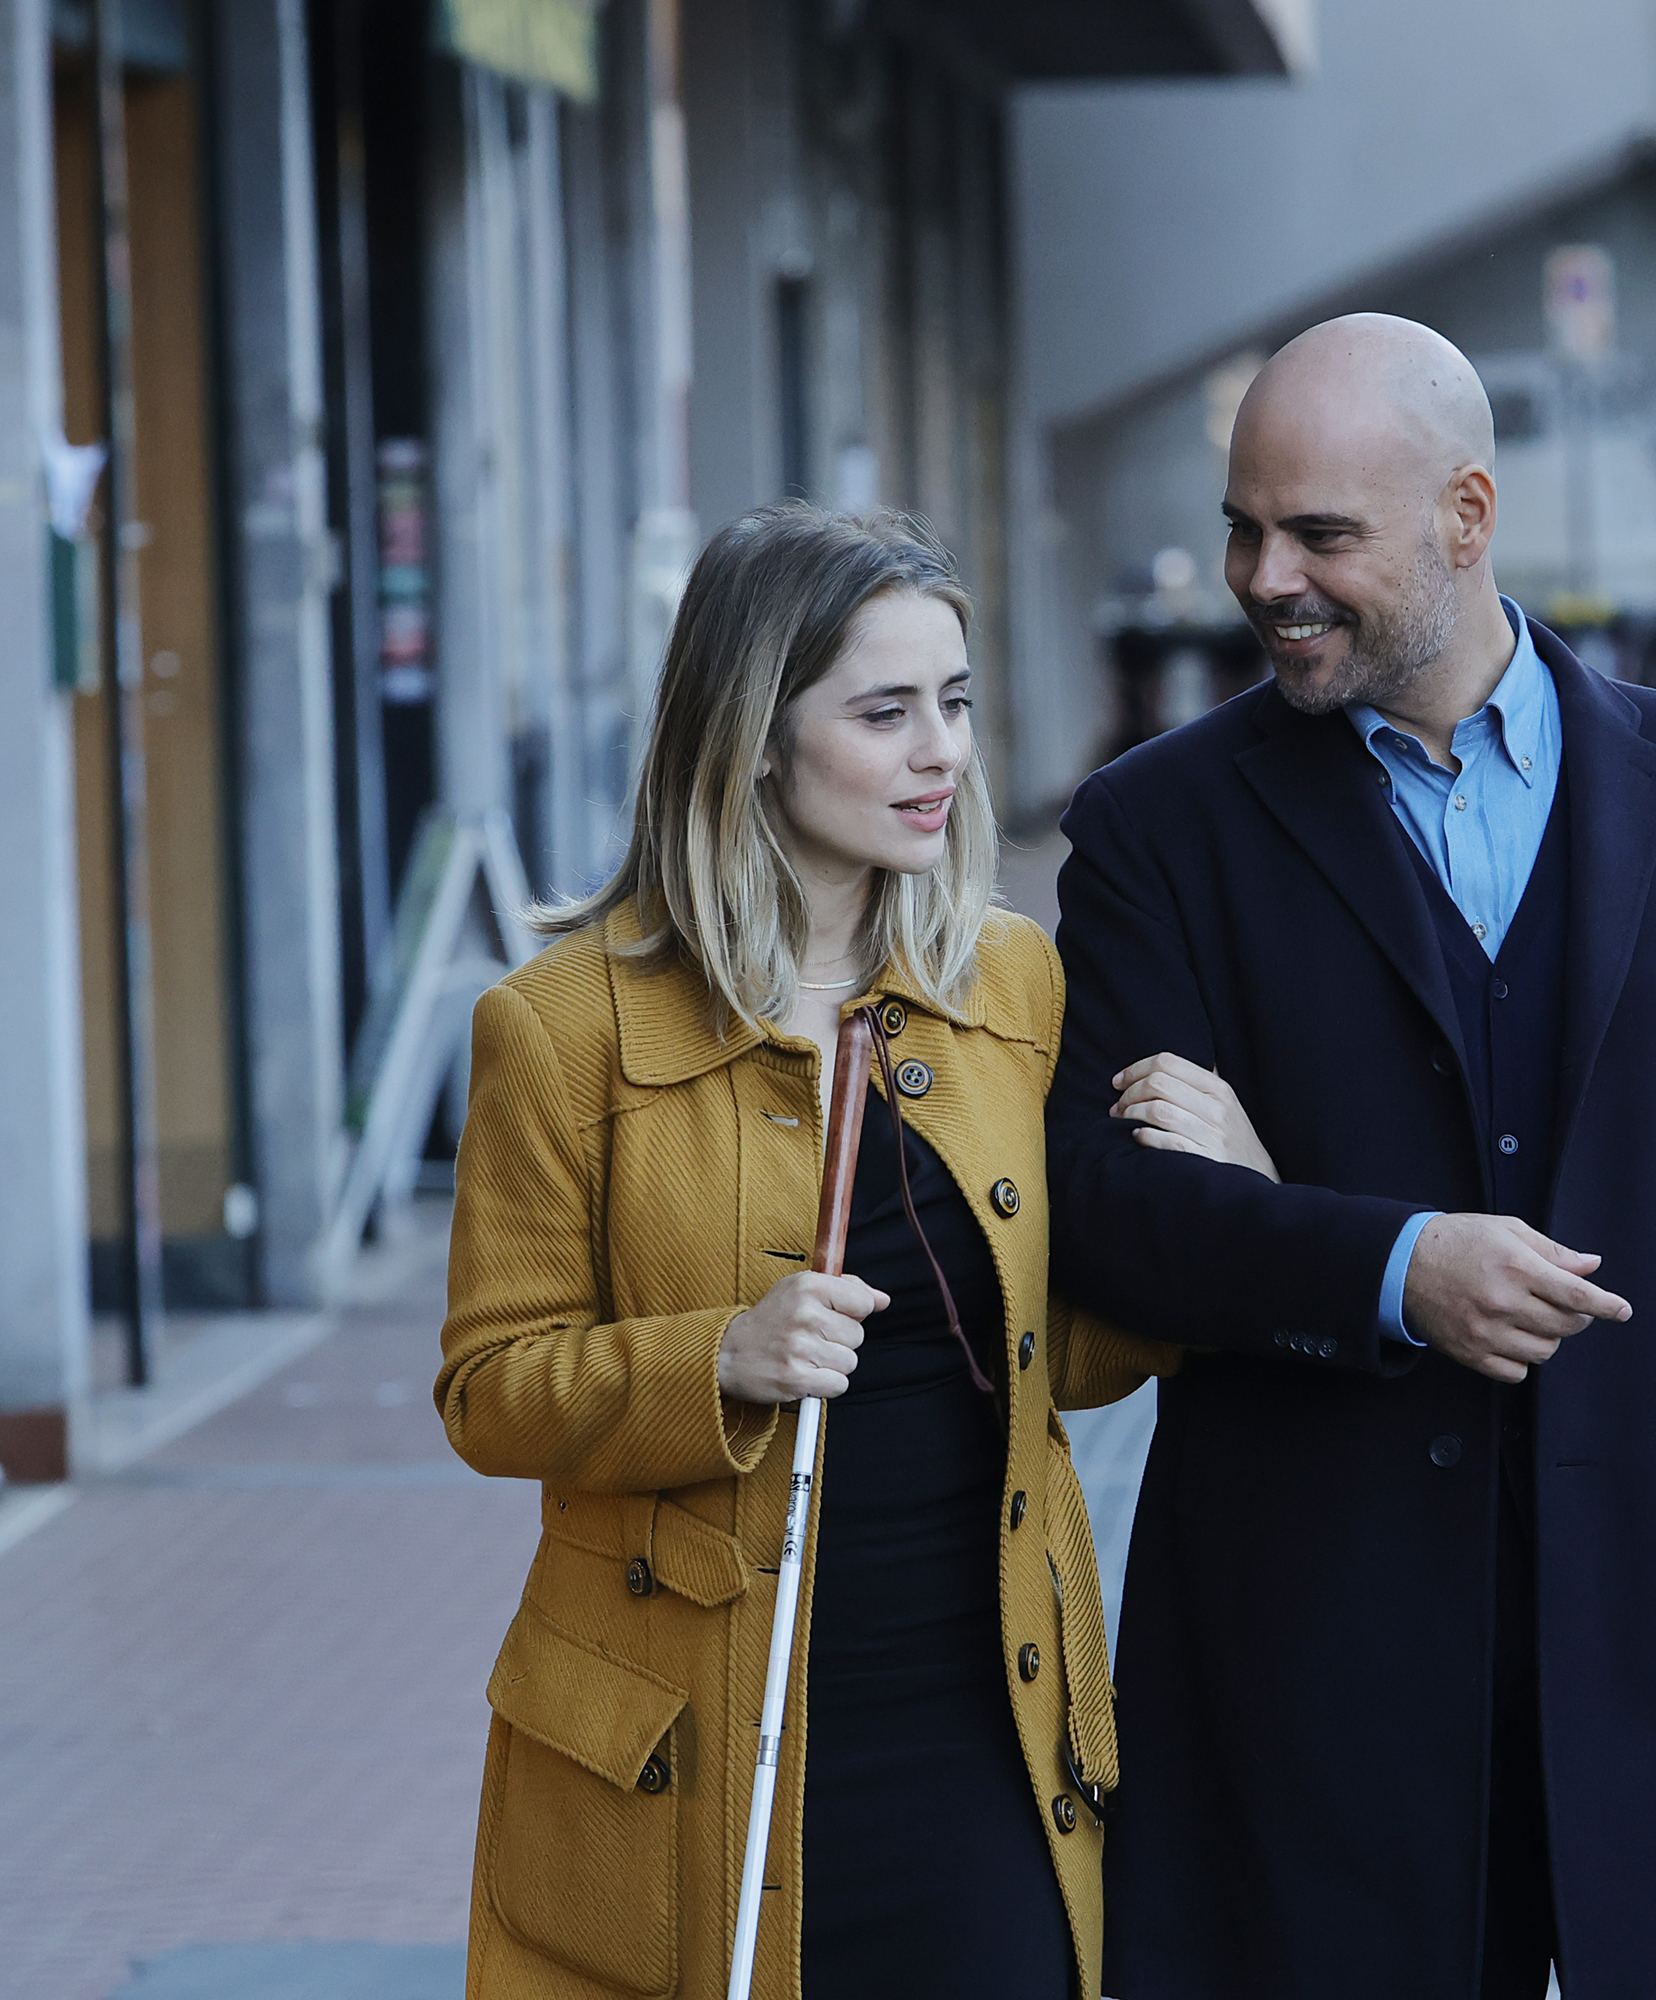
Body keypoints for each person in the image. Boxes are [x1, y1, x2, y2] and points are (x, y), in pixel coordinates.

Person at [1048, 315, 1656, 1999]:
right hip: (1317, 1670)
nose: (1265, 580)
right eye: (1245, 529)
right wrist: (1389, 1267)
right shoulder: (1158, 828)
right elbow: (1105, 1209)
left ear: (1467, 514)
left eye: (1321, 534)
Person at [436, 504, 1210, 2000]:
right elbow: (490, 1390)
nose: (943, 753)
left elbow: (1067, 1354)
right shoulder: (562, 1028)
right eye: (885, 712)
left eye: (955, 703)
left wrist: (1211, 1213)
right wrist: (716, 1358)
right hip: (688, 1745)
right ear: (753, 740)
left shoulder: (1008, 984)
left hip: (986, 1719)